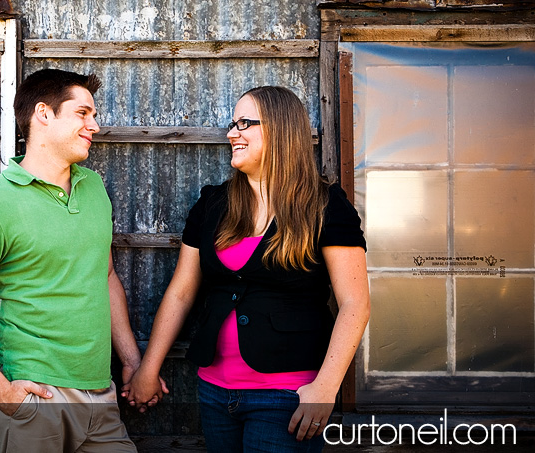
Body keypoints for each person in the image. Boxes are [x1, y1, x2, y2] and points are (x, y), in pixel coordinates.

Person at [123, 86, 370, 452]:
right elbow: (181, 291)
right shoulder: (214, 203)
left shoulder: (324, 206)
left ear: (280, 129)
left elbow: (355, 303)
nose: (231, 133)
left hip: (288, 396)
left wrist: (325, 387)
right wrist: (149, 367)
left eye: (244, 123)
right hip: (213, 392)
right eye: (232, 123)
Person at [0, 68, 162, 452]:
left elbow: (104, 275)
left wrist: (131, 360)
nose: (95, 125)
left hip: (99, 391)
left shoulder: (93, 188)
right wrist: (2, 392)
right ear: (43, 114)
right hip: (35, 396)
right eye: (83, 113)